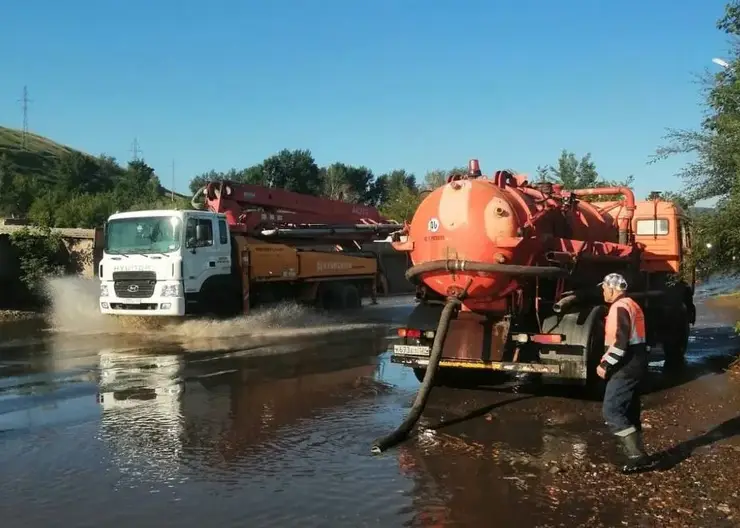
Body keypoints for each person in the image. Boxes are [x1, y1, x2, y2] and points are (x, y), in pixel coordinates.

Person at [597, 272, 658, 474]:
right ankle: (640, 454)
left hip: (627, 364)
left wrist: (605, 364)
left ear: (613, 289)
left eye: (604, 288)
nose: (603, 291)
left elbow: (621, 343)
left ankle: (637, 457)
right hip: (638, 360)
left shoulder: (619, 307)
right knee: (630, 410)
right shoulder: (633, 304)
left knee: (612, 410)